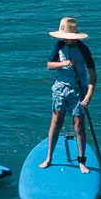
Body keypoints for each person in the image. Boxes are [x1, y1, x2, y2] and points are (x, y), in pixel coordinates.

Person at [41, 16, 97, 171]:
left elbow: (93, 75)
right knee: (56, 121)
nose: (66, 40)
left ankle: (81, 161)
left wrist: (89, 95)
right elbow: (49, 65)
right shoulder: (59, 45)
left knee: (78, 125)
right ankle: (49, 157)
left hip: (79, 90)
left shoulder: (83, 49)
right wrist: (65, 63)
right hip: (60, 89)